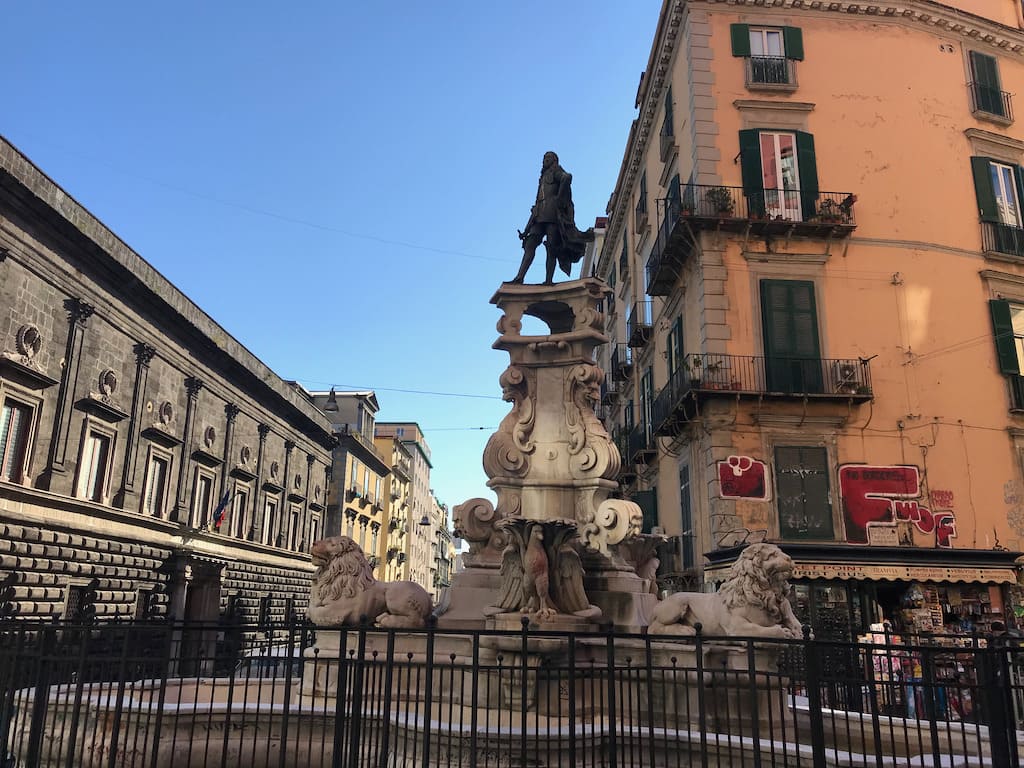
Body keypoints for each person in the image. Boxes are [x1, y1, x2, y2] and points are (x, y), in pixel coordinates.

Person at [510, 151, 595, 285]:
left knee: (551, 247)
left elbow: (567, 177)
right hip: (539, 215)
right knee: (530, 243)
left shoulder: (556, 171)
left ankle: (548, 280)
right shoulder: (543, 177)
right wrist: (526, 230)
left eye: (548, 157)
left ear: (554, 160)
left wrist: (560, 199)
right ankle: (520, 277)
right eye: (544, 158)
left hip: (552, 215)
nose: (545, 160)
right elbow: (537, 203)